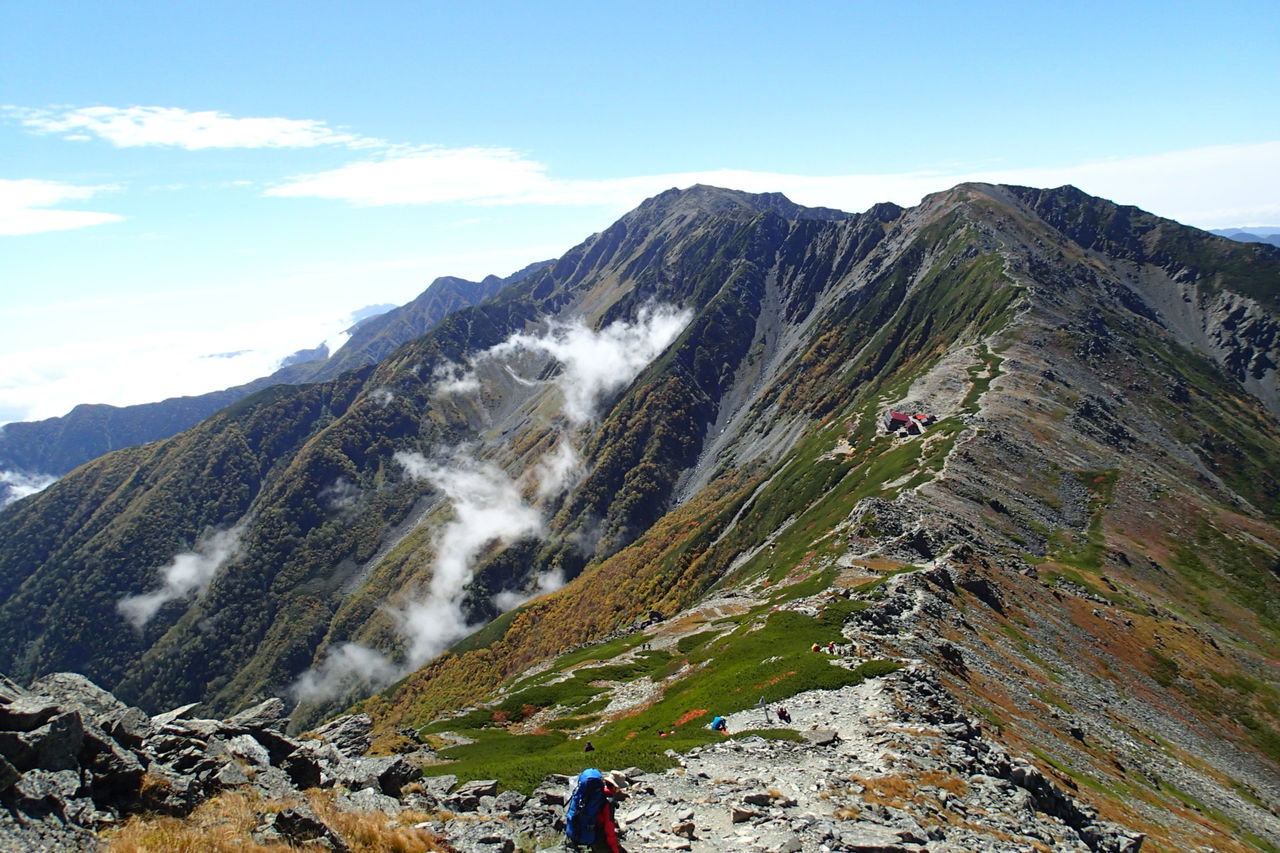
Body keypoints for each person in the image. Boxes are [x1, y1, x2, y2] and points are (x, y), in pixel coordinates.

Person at [565, 768, 623, 852]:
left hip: (578, 827)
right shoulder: (608, 800)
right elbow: (609, 827)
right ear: (615, 787)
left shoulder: (592, 792)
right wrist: (614, 848)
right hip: (596, 834)